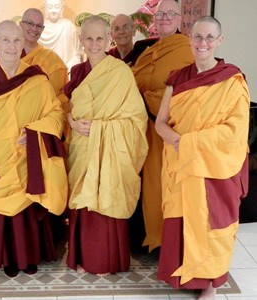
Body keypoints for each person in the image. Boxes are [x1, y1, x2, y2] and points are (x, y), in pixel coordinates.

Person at [155, 16, 250, 299]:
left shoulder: (232, 80)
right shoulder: (177, 78)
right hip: (181, 162)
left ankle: (209, 284)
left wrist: (190, 142)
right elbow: (161, 122)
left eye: (210, 37)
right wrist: (177, 141)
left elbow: (235, 131)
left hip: (214, 168)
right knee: (182, 219)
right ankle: (186, 277)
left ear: (219, 41)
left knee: (211, 225)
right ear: (189, 39)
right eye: (197, 37)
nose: (203, 43)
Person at [0, 20, 68, 277]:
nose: (11, 46)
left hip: (27, 155)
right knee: (3, 208)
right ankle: (8, 257)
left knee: (28, 205)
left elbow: (55, 113)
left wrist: (37, 130)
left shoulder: (36, 78)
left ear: (23, 43)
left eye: (16, 40)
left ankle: (30, 256)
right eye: (5, 40)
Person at [64, 15, 148, 275]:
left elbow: (136, 119)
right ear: (81, 41)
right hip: (82, 145)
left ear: (108, 39)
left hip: (111, 150)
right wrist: (72, 122)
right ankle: (82, 257)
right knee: (83, 201)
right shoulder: (77, 71)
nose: (94, 43)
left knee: (106, 199)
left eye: (100, 38)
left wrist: (100, 129)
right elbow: (68, 107)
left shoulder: (120, 71)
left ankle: (106, 260)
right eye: (89, 38)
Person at [131, 0, 194, 252]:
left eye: (170, 14)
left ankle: (163, 244)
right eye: (160, 14)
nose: (165, 18)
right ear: (154, 20)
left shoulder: (187, 49)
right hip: (140, 129)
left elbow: (185, 93)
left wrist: (145, 97)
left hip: (167, 130)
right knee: (141, 184)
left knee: (162, 185)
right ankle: (142, 238)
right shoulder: (146, 51)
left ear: (180, 19)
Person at [20, 8, 68, 100]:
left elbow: (62, 94)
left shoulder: (53, 59)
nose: (34, 29)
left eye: (39, 26)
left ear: (43, 29)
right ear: (21, 24)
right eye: (30, 23)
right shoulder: (8, 55)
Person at [39, 0, 81, 71]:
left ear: (62, 9)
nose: (53, 11)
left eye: (57, 7)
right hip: (43, 70)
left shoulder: (68, 26)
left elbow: (76, 54)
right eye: (50, 7)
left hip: (66, 69)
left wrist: (67, 67)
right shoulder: (39, 28)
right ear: (45, 9)